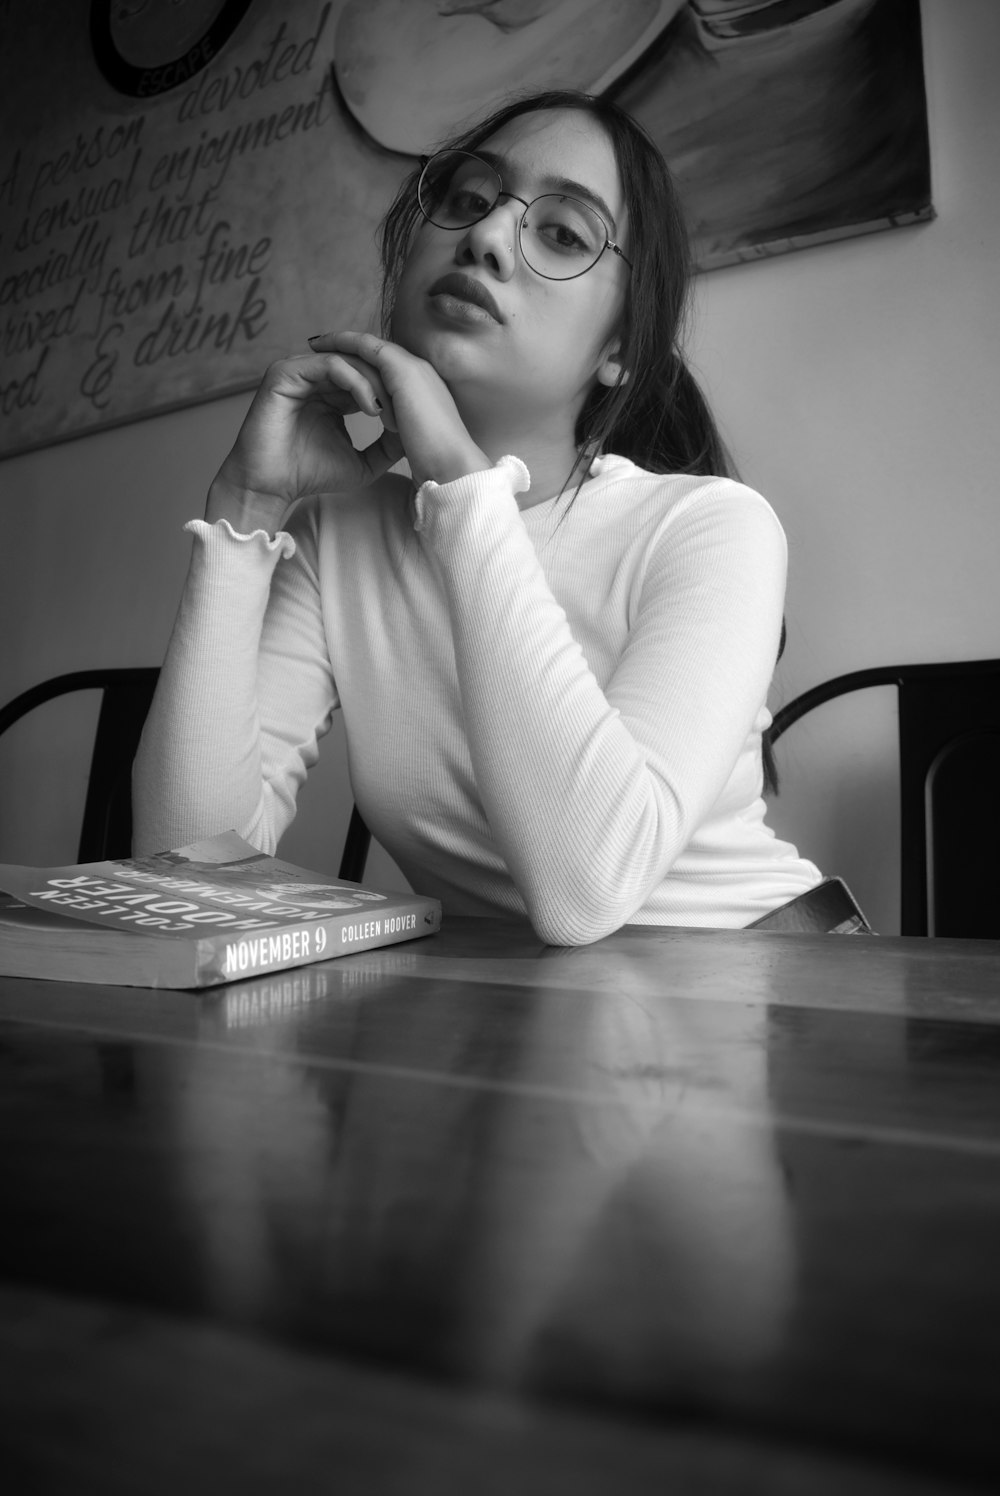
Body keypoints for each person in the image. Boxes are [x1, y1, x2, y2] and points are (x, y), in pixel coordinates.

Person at [133, 89, 865, 945]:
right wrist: (246, 513)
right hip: (531, 1018)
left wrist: (459, 485)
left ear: (621, 349)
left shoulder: (713, 528)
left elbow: (585, 889)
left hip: (775, 993)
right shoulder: (340, 539)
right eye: (468, 200)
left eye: (562, 233)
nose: (484, 238)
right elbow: (184, 875)